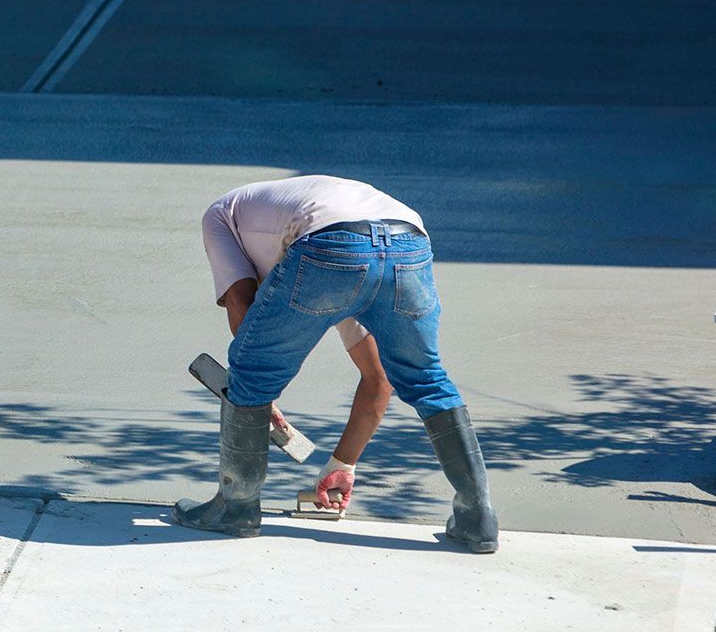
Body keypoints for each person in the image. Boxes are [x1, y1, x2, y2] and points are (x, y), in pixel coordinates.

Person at [175, 175, 498, 553]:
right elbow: (379, 380)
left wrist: (256, 397)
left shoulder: (221, 216)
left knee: (251, 373)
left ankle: (236, 508)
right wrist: (342, 464)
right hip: (407, 242)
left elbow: (241, 306)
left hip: (329, 245)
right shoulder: (330, 265)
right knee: (426, 378)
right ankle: (478, 518)